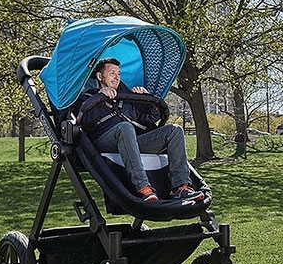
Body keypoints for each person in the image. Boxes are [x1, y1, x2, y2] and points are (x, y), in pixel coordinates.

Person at [76, 57, 203, 203]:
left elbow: (151, 118)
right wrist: (100, 96)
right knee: (125, 127)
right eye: (112, 73)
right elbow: (84, 121)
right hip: (104, 140)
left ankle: (181, 187)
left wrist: (145, 97)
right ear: (99, 76)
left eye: (119, 73)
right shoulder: (88, 97)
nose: (117, 77)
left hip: (131, 139)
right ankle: (143, 188)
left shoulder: (127, 99)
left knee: (174, 130)